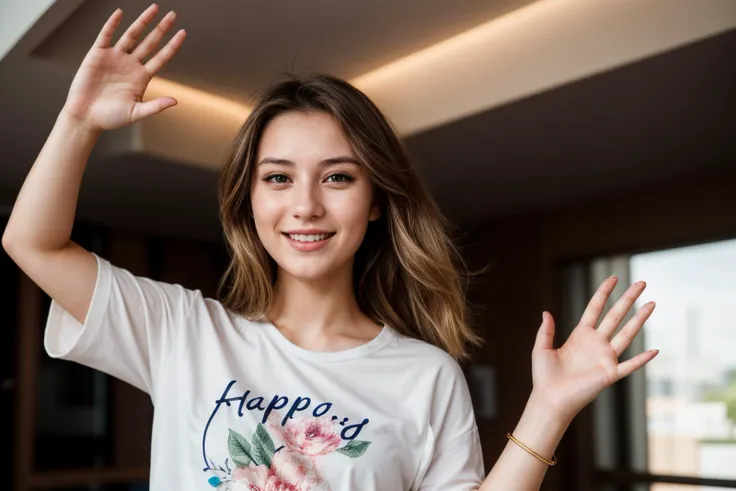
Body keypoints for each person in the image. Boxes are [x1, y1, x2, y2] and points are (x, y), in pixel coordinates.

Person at [2, 4, 659, 491]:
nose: (306, 205)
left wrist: (547, 409)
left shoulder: (426, 375)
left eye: (338, 176)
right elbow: (32, 243)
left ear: (375, 200)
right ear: (249, 199)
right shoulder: (184, 332)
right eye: (278, 177)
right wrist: (78, 123)